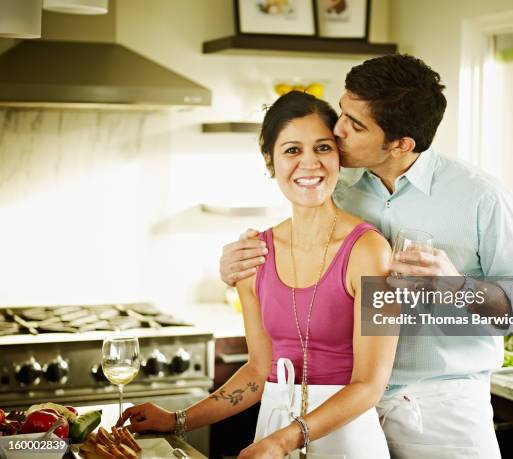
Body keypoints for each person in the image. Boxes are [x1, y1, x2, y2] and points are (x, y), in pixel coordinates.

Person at [220, 54, 513, 459]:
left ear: (401, 144)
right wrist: (240, 265)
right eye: (342, 112)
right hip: (343, 407)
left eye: (355, 124)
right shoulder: (334, 179)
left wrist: (458, 288)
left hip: (440, 409)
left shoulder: (480, 197)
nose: (338, 129)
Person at [117, 91, 398, 458]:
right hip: (272, 434)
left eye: (323, 148)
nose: (310, 164)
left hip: (344, 439)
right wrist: (177, 420)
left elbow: (370, 385)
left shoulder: (371, 252)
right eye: (292, 150)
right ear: (270, 162)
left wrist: (285, 439)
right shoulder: (255, 256)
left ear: (339, 157)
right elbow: (257, 371)